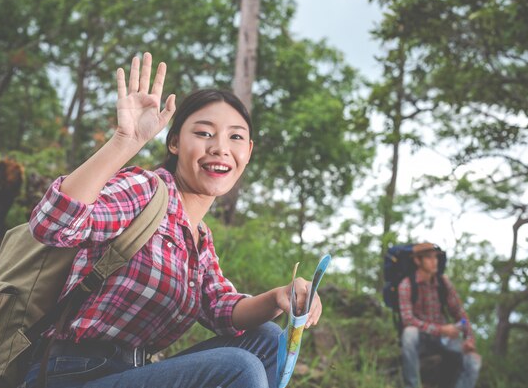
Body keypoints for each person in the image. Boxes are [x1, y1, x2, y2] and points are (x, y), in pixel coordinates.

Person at [20, 52, 322, 388]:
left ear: (247, 152)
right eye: (205, 133)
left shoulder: (199, 240)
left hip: (130, 374)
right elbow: (52, 225)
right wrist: (124, 142)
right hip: (69, 374)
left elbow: (222, 310)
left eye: (235, 137)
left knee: (265, 338)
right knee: (238, 368)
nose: (220, 148)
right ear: (175, 142)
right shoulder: (146, 190)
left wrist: (279, 296)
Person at [398, 243, 481, 388]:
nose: (434, 261)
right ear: (418, 261)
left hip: (444, 338)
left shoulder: (443, 283)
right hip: (422, 337)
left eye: (435, 258)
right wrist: (441, 329)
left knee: (473, 361)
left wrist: (469, 339)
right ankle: (412, 385)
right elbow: (408, 320)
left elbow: (459, 313)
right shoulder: (406, 285)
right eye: (429, 258)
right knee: (409, 333)